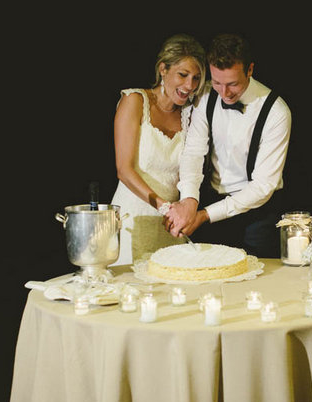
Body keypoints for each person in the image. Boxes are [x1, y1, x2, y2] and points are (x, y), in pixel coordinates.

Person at [163, 33, 292, 258]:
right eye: (217, 83)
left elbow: (263, 186)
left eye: (233, 84)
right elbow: (193, 152)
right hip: (211, 201)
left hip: (258, 213)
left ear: (250, 70)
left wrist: (203, 215)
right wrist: (190, 200)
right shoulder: (205, 95)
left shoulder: (277, 112)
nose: (224, 93)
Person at [110, 34, 206, 265]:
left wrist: (181, 212)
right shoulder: (134, 101)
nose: (189, 86)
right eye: (183, 75)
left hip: (171, 226)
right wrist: (164, 207)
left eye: (196, 78)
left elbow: (191, 168)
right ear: (163, 69)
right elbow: (124, 170)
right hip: (133, 219)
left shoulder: (190, 114)